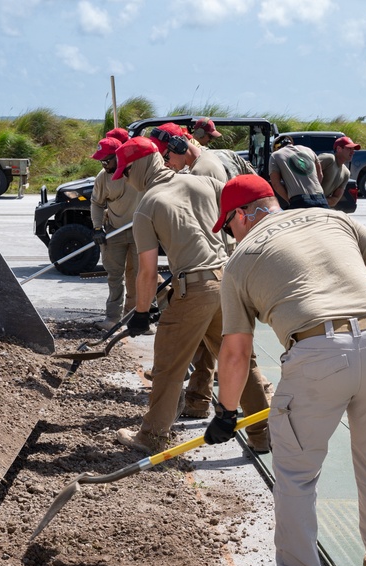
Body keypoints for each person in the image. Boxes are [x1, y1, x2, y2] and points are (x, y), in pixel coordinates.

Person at [204, 174, 366, 566]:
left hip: (316, 352)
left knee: (297, 476)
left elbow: (236, 351)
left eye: (229, 224)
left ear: (242, 216)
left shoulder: (240, 260)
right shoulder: (332, 219)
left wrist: (225, 411)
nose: (230, 234)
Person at [111, 137, 272, 453]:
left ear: (138, 167)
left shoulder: (147, 206)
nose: (126, 181)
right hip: (227, 282)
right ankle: (262, 435)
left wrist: (142, 313)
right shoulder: (206, 184)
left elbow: (146, 270)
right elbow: (231, 228)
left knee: (169, 367)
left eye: (126, 173)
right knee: (241, 360)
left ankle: (151, 437)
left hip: (194, 290)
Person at [89, 137, 142, 330]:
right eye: (101, 161)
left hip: (140, 231)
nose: (104, 165)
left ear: (118, 156)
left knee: (141, 275)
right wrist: (97, 228)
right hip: (114, 231)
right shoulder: (103, 177)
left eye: (107, 160)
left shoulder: (138, 171)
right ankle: (112, 318)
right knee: (114, 276)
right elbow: (96, 203)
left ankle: (140, 316)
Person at [269, 136, 327, 209]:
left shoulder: (275, 155)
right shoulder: (309, 150)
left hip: (299, 200)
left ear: (276, 148)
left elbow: (276, 184)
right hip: (320, 197)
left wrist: (289, 200)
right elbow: (320, 175)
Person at [318, 136, 360, 208]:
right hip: (302, 204)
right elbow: (307, 174)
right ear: (339, 149)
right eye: (349, 148)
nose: (352, 152)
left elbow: (335, 200)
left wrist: (318, 201)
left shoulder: (346, 173)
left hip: (320, 207)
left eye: (353, 149)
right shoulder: (329, 159)